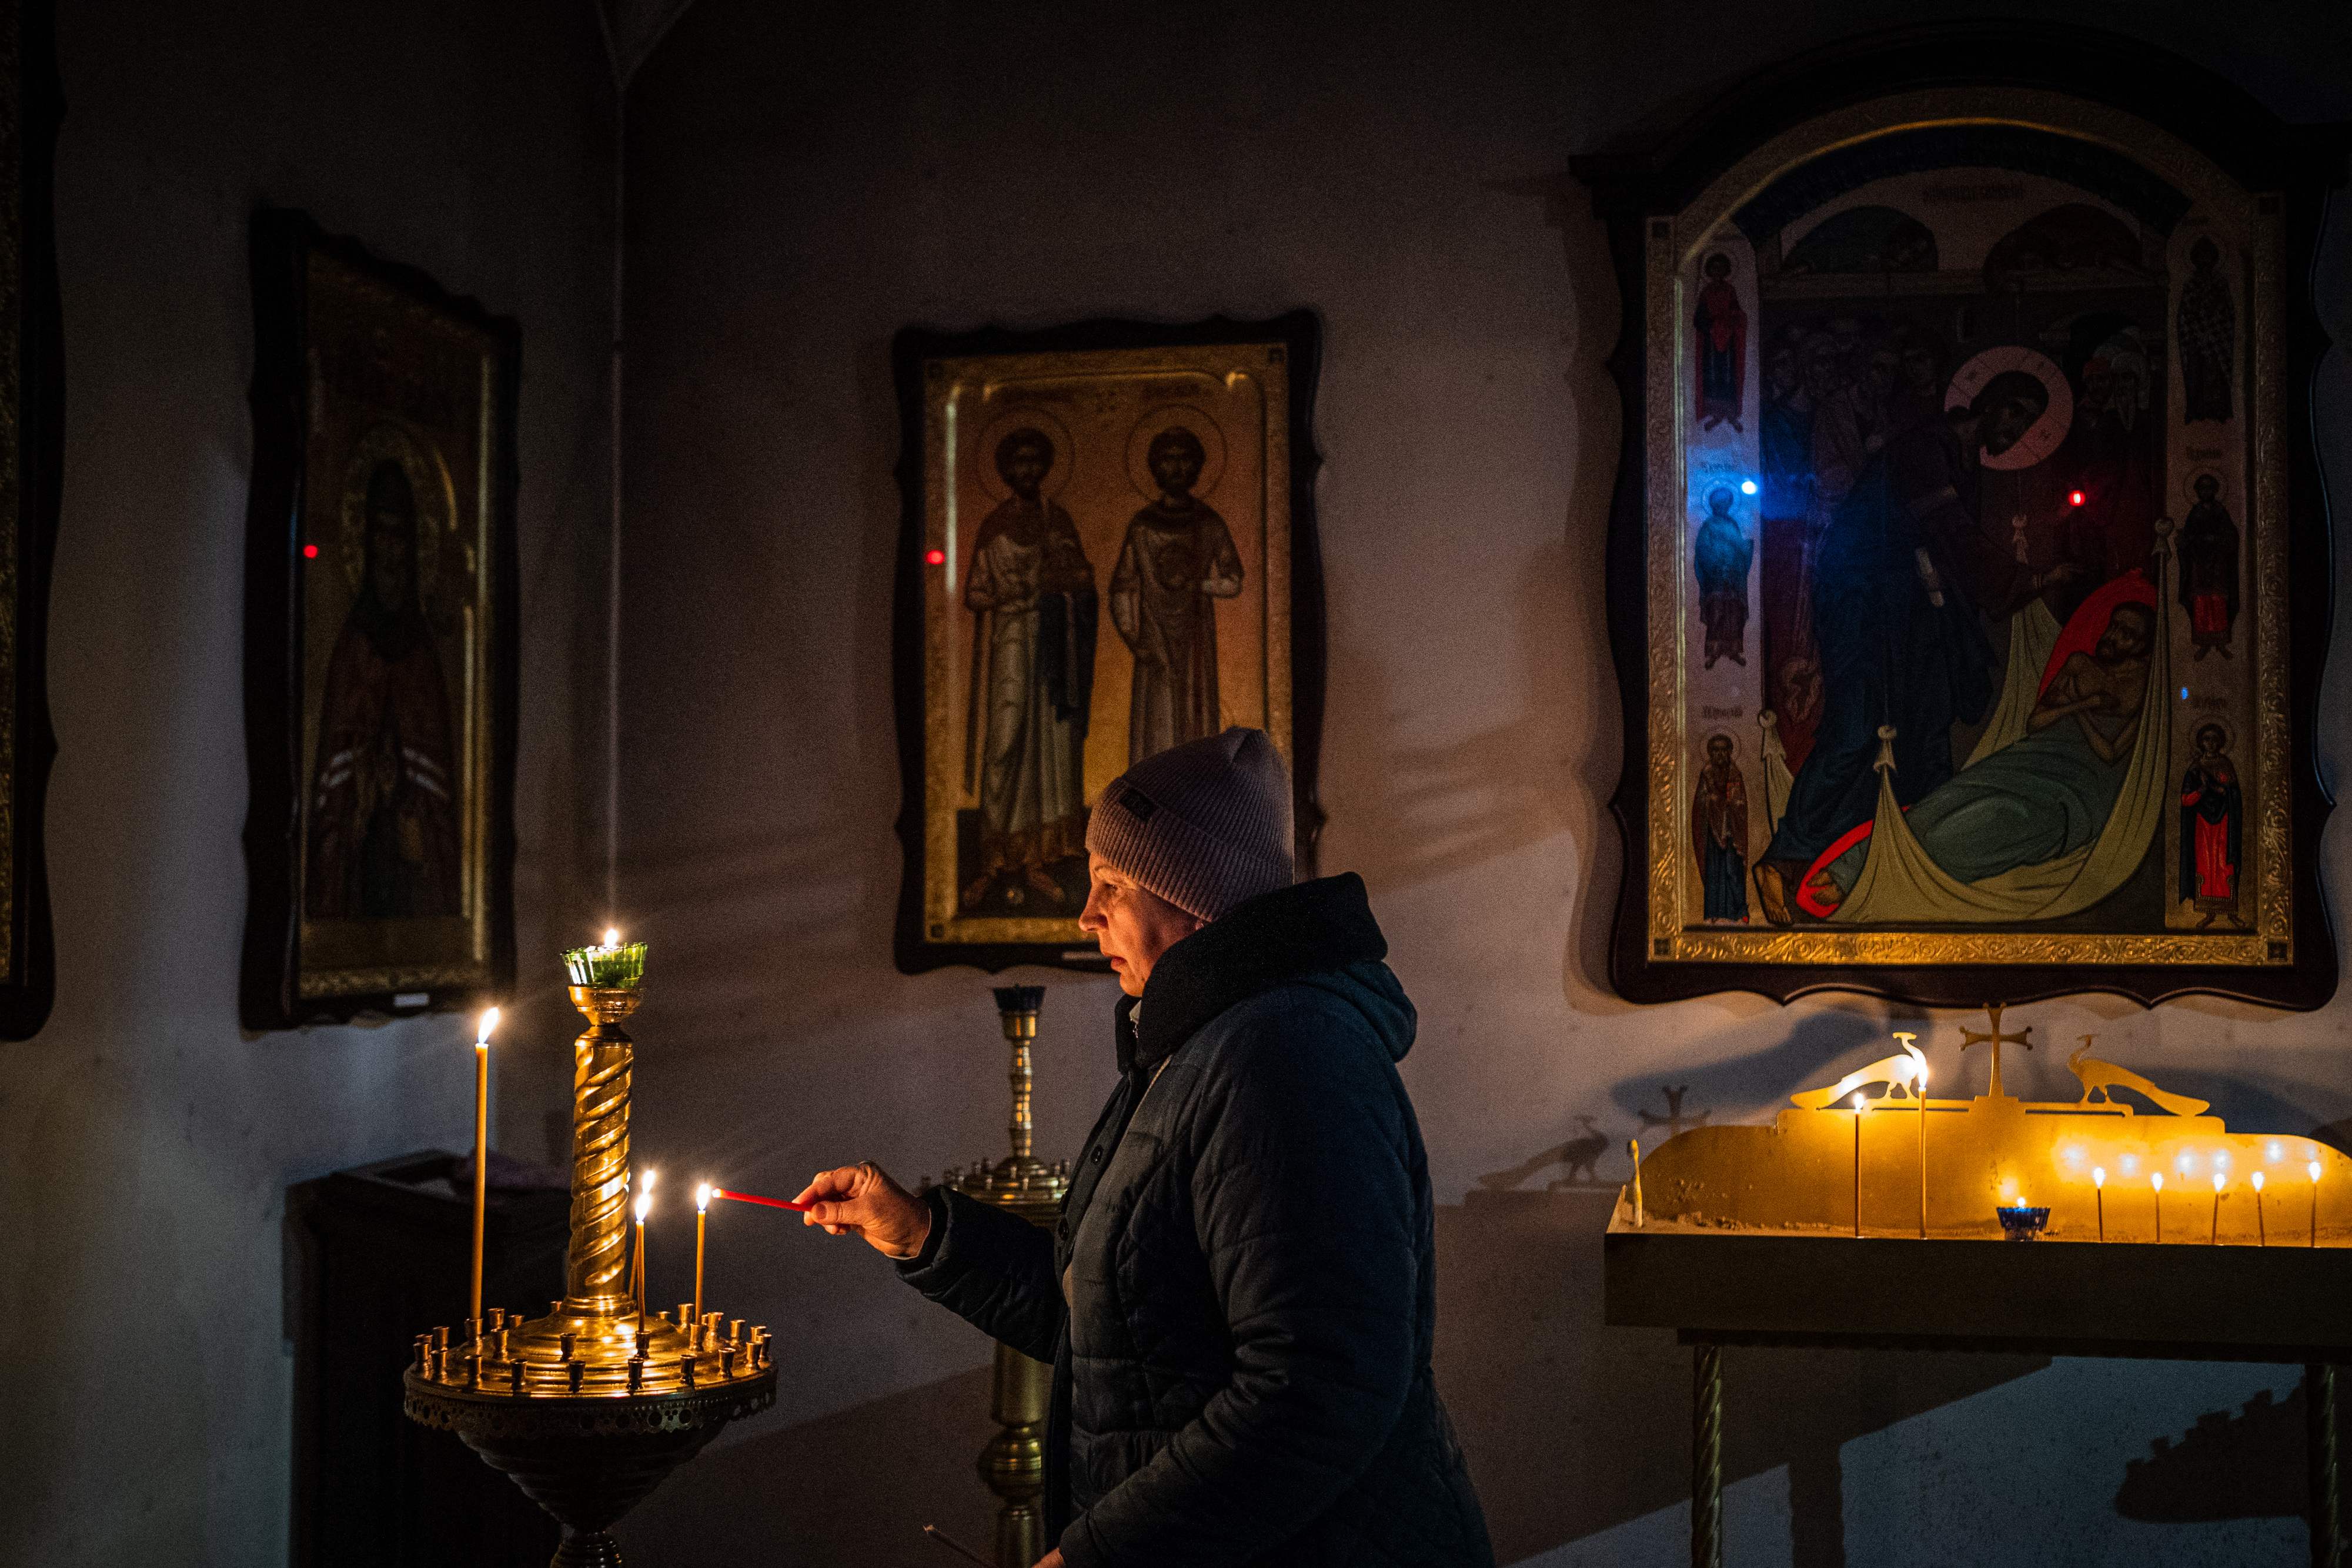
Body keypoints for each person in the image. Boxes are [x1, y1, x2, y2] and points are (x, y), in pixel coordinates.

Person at [796, 728, 1494, 1568]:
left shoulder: (1287, 1056)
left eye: (1111, 884)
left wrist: (1098, 1554)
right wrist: (921, 1232)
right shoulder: (1194, 1046)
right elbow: (1118, 1330)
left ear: (1194, 895)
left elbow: (1317, 1391)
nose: (1087, 914)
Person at [1752, 371, 2053, 925]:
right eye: (2016, 414)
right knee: (1857, 725)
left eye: (2030, 425)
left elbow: (1947, 546)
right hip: (1860, 597)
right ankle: (1786, 857)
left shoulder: (1963, 459)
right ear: (1990, 401)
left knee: (1925, 724)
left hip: (1908, 605)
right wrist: (2025, 581)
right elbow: (1952, 532)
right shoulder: (1928, 446)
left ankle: (1910, 859)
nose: (2018, 431)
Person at [1807, 599, 2156, 911]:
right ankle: (1851, 866)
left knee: (1988, 824)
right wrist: (2085, 705)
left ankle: (1881, 879)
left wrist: (2078, 710)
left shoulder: (2147, 690)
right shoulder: (2081, 665)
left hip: (2076, 791)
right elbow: (2037, 722)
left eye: (2128, 634)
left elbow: (2111, 754)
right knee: (1946, 799)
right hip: (2031, 758)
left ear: (2143, 647)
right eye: (2115, 625)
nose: (2114, 636)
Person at [306, 457, 461, 920]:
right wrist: (359, 808)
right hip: (359, 871)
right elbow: (330, 797)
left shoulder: (425, 663)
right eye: (381, 534)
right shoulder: (351, 653)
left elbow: (441, 805)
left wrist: (415, 826)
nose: (391, 552)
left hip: (411, 872)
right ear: (366, 541)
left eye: (400, 537)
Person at [964, 428, 1098, 908]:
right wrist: (1007, 596)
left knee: (1051, 747)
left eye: (1033, 463)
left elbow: (1083, 576)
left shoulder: (1056, 520)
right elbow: (975, 592)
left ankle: (1041, 855)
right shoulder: (992, 525)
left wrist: (1062, 582)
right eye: (1017, 463)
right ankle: (996, 857)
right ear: (1006, 470)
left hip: (1052, 646)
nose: (1026, 472)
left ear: (1043, 468)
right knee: (1007, 739)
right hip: (1011, 645)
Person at [1110, 426, 1244, 765]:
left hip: (1195, 635)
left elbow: (1233, 581)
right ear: (1156, 468)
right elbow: (1123, 586)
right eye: (1168, 461)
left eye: (1185, 460)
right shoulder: (1142, 526)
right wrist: (1134, 638)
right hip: (1154, 633)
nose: (1177, 468)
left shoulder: (1209, 523)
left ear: (1197, 468)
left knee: (1192, 711)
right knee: (1158, 713)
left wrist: (1198, 585)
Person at [2180, 721, 2243, 927]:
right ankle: (2209, 913)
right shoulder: (2196, 768)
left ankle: (2231, 912)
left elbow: (2233, 793)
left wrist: (2220, 790)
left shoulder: (2226, 764)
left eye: (2215, 739)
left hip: (2224, 820)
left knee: (2224, 864)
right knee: (2206, 864)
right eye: (2207, 739)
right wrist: (2203, 790)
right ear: (2201, 743)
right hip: (2202, 823)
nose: (2211, 743)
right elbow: (2186, 800)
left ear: (2221, 742)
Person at [2177, 473, 2240, 659]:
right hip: (2198, 562)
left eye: (2209, 489)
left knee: (2218, 600)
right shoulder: (2195, 513)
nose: (2205, 493)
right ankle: (2204, 643)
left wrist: (2217, 540)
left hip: (2217, 564)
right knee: (2201, 602)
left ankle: (2221, 642)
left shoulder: (2220, 511)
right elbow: (2189, 535)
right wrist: (2185, 540)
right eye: (2202, 489)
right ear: (2198, 492)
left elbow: (2230, 535)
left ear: (2214, 491)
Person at [1690, 733, 1750, 922]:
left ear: (1730, 752)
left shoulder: (1735, 774)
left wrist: (1730, 805)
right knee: (1715, 871)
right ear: (1710, 753)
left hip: (1733, 832)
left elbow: (1741, 803)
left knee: (1733, 869)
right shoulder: (1706, 774)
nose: (1720, 754)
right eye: (1716, 750)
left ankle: (1739, 911)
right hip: (1712, 832)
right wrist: (1711, 802)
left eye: (1724, 750)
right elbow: (1699, 804)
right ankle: (1715, 912)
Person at [1693, 485, 1752, 669]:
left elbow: (1741, 550)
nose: (1723, 507)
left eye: (1726, 504)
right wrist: (1717, 566)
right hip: (1716, 577)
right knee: (1717, 612)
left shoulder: (1733, 524)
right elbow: (1702, 550)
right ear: (1713, 505)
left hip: (1734, 578)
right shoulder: (1708, 526)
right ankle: (1713, 651)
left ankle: (1734, 649)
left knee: (1734, 612)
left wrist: (1745, 550)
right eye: (1720, 504)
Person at [1693, 252, 1746, 432]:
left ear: (1726, 270)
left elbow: (1736, 312)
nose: (1717, 271)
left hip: (1728, 337)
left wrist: (1730, 321)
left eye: (1720, 268)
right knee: (1712, 374)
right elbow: (1698, 319)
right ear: (1709, 271)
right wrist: (1711, 325)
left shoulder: (1729, 290)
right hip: (1710, 340)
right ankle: (1715, 413)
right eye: (1714, 268)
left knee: (1728, 374)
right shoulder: (1706, 292)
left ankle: (1730, 413)